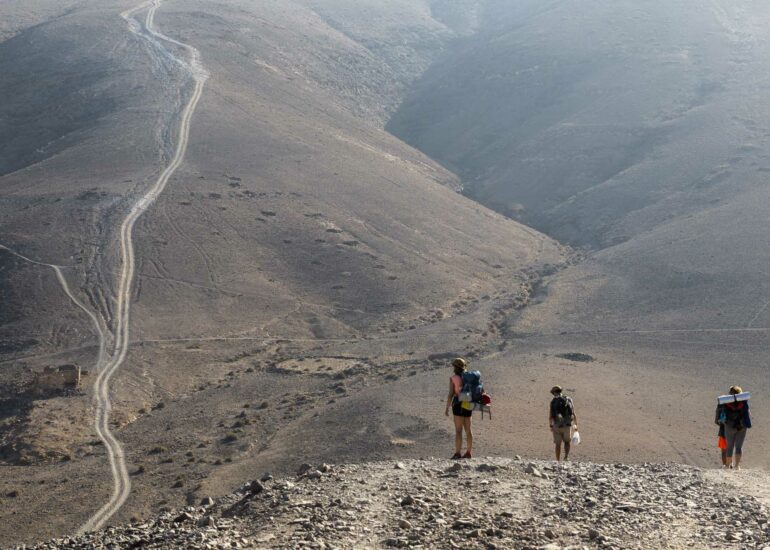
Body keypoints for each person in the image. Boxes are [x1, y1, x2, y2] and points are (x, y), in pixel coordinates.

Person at [715, 385, 751, 469]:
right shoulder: (743, 402)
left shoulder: (726, 402)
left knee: (729, 446)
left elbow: (718, 414)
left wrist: (719, 422)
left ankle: (727, 465)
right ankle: (737, 466)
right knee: (739, 446)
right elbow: (748, 414)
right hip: (742, 426)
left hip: (729, 426)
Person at [445, 357, 473, 459]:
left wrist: (447, 407)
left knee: (458, 430)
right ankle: (469, 452)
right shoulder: (470, 377)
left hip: (458, 405)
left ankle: (457, 453)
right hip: (468, 404)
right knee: (468, 430)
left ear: (455, 367)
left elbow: (451, 394)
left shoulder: (453, 378)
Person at [549, 385, 577, 461]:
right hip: (567, 425)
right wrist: (575, 425)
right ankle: (566, 457)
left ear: (554, 392)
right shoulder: (569, 399)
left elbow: (551, 415)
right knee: (567, 442)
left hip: (557, 426)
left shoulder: (553, 401)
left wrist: (551, 425)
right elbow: (573, 413)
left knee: (558, 444)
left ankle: (558, 461)